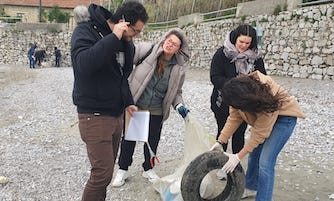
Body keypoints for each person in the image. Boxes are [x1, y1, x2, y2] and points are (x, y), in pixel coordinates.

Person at [70, 2, 148, 201]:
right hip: (94, 115)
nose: (137, 36)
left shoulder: (126, 42)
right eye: (136, 31)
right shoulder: (86, 31)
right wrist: (113, 38)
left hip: (116, 114)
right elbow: (83, 65)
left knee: (106, 172)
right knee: (101, 174)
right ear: (123, 22)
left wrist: (128, 101)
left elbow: (122, 76)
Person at [112, 28, 191, 187]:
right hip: (137, 105)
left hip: (157, 109)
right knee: (129, 139)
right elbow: (125, 59)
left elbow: (177, 92)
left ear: (178, 49)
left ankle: (148, 168)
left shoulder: (178, 68)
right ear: (164, 39)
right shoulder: (147, 50)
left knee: (152, 141)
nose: (170, 45)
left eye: (174, 44)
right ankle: (122, 169)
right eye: (169, 40)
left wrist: (180, 105)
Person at [210, 70, 306, 201]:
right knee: (254, 154)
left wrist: (238, 156)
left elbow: (260, 133)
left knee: (265, 162)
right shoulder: (237, 92)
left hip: (284, 119)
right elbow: (234, 118)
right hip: (265, 118)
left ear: (245, 102)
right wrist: (220, 141)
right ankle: (251, 188)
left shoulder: (267, 95)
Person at [210, 24, 267, 169]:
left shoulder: (256, 57)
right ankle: (221, 164)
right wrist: (237, 85)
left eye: (247, 43)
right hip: (222, 102)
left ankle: (235, 165)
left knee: (239, 134)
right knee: (223, 132)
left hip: (245, 104)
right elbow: (215, 77)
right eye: (241, 42)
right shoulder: (222, 53)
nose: (243, 46)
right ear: (235, 39)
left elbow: (263, 78)